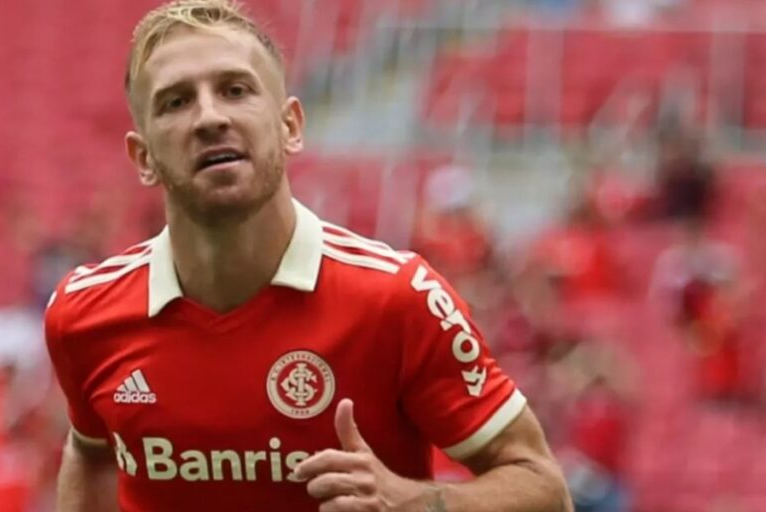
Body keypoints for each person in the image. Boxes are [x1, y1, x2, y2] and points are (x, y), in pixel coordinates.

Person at [43, 1, 570, 510]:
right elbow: (90, 453)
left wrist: (413, 503)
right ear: (144, 158)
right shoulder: (83, 315)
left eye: (235, 90)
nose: (209, 118)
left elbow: (544, 487)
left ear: (291, 126)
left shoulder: (397, 299)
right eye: (176, 102)